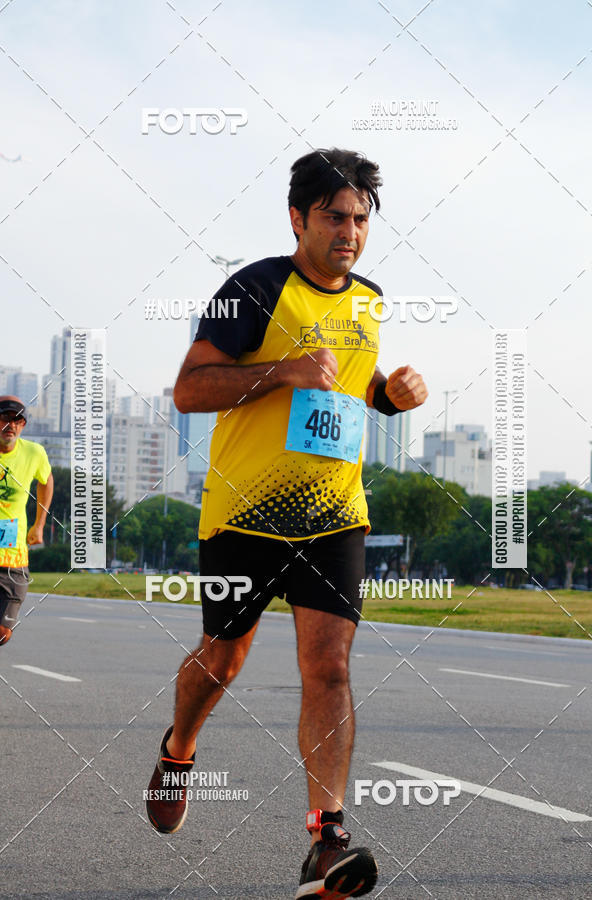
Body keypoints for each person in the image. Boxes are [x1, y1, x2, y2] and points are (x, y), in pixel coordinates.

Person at [146, 148, 428, 898]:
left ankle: (326, 841)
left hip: (335, 514)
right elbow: (188, 389)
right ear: (298, 217)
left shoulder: (368, 299)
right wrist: (279, 372)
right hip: (244, 514)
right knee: (224, 660)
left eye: (362, 219)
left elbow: (351, 383)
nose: (351, 231)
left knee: (328, 666)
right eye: (336, 216)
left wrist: (391, 393)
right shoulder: (255, 287)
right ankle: (179, 750)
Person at [0, 396, 53, 645]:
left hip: (12, 554)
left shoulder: (34, 453)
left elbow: (46, 480)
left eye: (16, 420)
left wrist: (39, 523)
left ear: (23, 425)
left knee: (3, 632)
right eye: (4, 418)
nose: (10, 425)